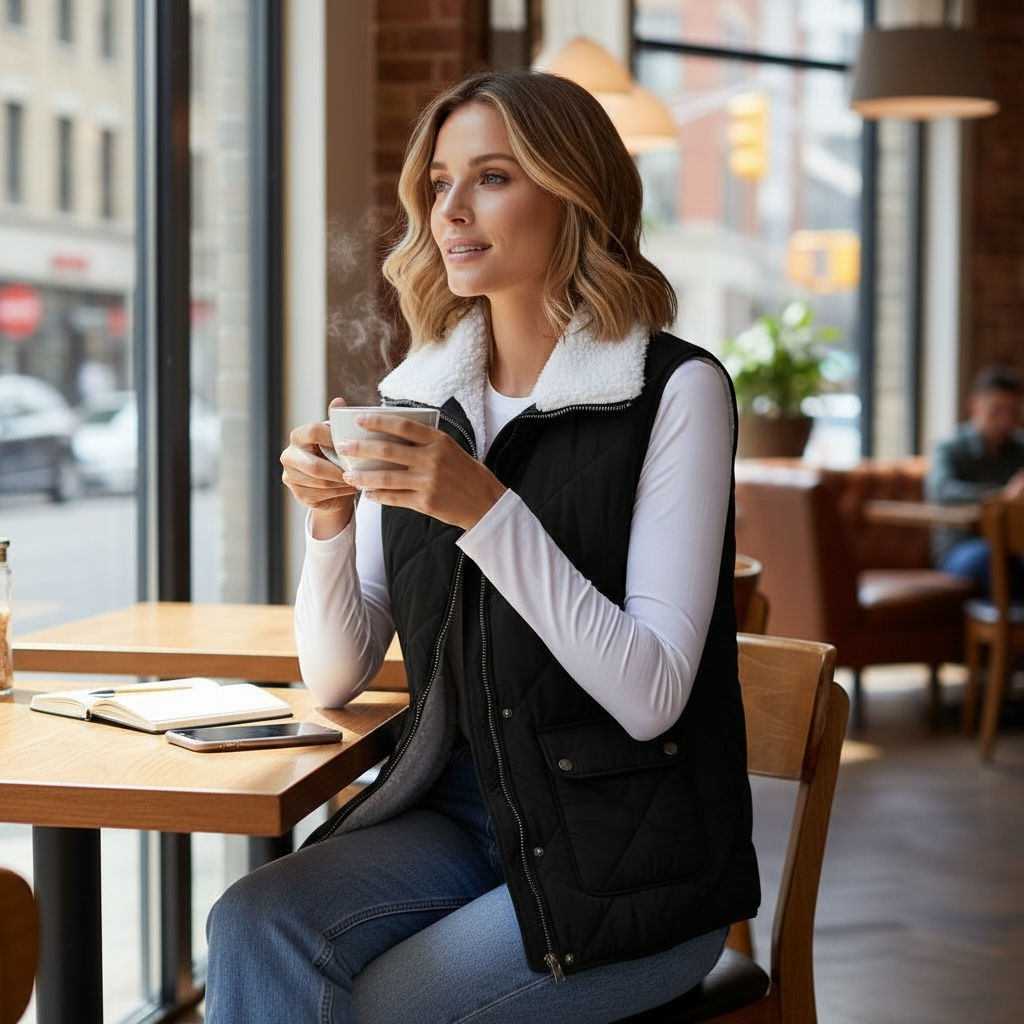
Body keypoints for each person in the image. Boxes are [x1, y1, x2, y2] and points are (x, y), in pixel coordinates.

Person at [205, 68, 759, 1023]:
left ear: (574, 194)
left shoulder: (675, 391)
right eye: (438, 181)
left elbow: (653, 693)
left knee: (377, 1006)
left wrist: (489, 512)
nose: (450, 209)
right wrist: (329, 523)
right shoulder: (422, 395)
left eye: (492, 177)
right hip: (461, 818)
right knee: (256, 923)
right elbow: (335, 677)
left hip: (632, 856)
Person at [925, 363, 1024, 595]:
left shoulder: (1020, 449)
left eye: (1013, 412)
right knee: (994, 556)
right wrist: (1002, 495)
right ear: (974, 406)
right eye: (996, 411)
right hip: (959, 551)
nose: (1005, 421)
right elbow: (941, 491)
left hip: (1014, 547)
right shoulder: (948, 450)